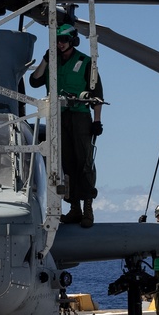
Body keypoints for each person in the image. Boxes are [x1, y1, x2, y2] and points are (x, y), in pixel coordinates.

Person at [29, 23, 103, 226]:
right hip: (58, 117)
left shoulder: (85, 62)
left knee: (84, 162)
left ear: (72, 41)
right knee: (65, 163)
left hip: (80, 116)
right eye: (57, 41)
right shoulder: (52, 63)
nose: (60, 44)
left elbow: (97, 94)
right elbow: (34, 81)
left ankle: (88, 209)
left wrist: (97, 121)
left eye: (63, 41)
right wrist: (45, 59)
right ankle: (74, 209)